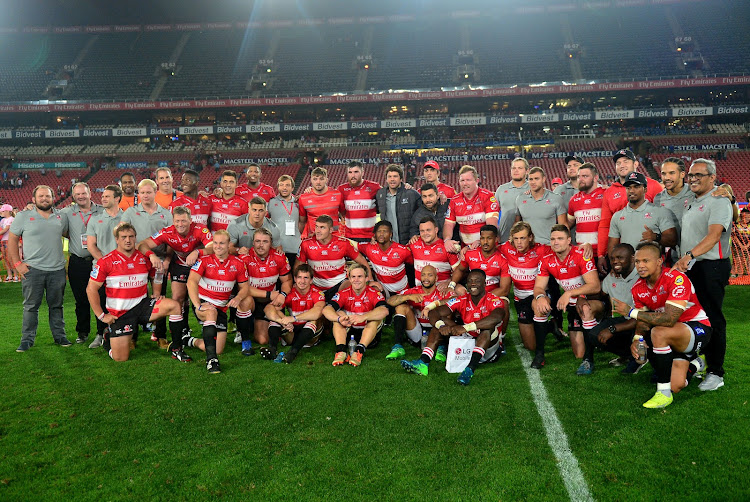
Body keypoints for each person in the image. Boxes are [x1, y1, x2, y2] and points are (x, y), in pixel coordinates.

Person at [612, 241, 711, 408]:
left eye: (645, 261)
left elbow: (669, 319)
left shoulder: (676, 279)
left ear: (659, 261)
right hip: (672, 335)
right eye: (637, 262)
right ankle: (697, 364)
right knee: (677, 385)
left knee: (658, 332)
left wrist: (630, 312)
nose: (640, 266)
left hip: (696, 328)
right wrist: (637, 339)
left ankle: (663, 393)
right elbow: (643, 320)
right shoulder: (638, 287)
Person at [86, 222, 189, 362]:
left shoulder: (143, 258)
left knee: (175, 306)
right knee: (121, 358)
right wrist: (101, 316)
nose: (128, 240)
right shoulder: (106, 261)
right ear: (116, 239)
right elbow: (91, 289)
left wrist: (157, 292)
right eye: (123, 237)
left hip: (142, 306)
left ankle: (177, 349)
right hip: (121, 314)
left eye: (131, 236)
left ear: (135, 238)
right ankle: (107, 339)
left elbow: (157, 275)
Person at [672, 158, 733, 392]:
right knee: (695, 317)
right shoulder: (693, 200)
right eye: (691, 175)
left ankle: (716, 372)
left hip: (710, 267)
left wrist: (688, 255)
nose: (694, 178)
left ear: (712, 178)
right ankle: (702, 362)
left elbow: (714, 235)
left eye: (699, 174)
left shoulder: (718, 201)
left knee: (713, 318)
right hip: (694, 267)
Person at [402, 270, 509, 385]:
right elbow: (435, 312)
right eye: (470, 281)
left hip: (488, 349)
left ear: (484, 284)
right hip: (468, 339)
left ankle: (469, 370)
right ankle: (423, 362)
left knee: (487, 329)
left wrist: (465, 328)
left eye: (477, 281)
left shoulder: (493, 300)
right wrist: (441, 326)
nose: (473, 284)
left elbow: (496, 317)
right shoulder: (462, 299)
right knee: (440, 322)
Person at [138, 205, 214, 346]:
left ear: (190, 220)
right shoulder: (167, 232)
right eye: (177, 221)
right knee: (177, 298)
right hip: (179, 265)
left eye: (184, 221)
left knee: (202, 298)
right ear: (173, 221)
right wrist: (152, 255)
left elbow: (212, 246)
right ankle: (182, 330)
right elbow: (142, 244)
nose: (180, 224)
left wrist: (198, 252)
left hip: (199, 266)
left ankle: (210, 327)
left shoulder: (200, 229)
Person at [10, 185, 70, 352]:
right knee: (30, 306)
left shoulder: (61, 216)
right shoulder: (23, 216)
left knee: (56, 305)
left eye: (48, 196)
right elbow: (13, 240)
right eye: (41, 196)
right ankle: (26, 340)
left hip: (57, 270)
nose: (45, 199)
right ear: (34, 198)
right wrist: (17, 264)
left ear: (53, 198)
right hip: (33, 270)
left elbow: (68, 234)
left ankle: (60, 336)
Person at [531, 225, 601, 369]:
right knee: (537, 304)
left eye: (560, 238)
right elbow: (538, 287)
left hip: (591, 300)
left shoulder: (581, 254)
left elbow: (595, 286)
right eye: (553, 239)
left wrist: (569, 293)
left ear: (569, 240)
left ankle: (589, 360)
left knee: (585, 308)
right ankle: (539, 355)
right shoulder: (546, 259)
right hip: (572, 303)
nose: (556, 242)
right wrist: (540, 297)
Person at [186, 229, 252, 373]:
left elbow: (245, 287)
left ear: (229, 245)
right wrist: (197, 305)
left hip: (221, 308)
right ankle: (212, 361)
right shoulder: (204, 261)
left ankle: (189, 340)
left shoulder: (238, 263)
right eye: (215, 243)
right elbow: (191, 282)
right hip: (204, 304)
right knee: (211, 313)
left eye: (222, 243)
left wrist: (238, 298)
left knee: (219, 348)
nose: (217, 246)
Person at [121, 179, 173, 346]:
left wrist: (167, 260)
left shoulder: (166, 214)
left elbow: (172, 241)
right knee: (136, 299)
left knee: (159, 297)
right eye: (142, 192)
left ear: (155, 193)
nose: (145, 195)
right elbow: (124, 237)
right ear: (138, 194)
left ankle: (160, 335)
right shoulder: (130, 213)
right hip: (138, 263)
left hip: (159, 263)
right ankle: (133, 336)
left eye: (149, 192)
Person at [574, 243, 639, 376]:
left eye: (620, 258)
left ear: (633, 258)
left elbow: (644, 316)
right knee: (594, 335)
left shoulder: (642, 275)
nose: (615, 262)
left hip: (640, 321)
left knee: (640, 327)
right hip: (621, 319)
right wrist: (581, 296)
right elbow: (600, 293)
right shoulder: (612, 277)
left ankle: (638, 360)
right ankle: (626, 354)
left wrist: (611, 329)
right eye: (612, 258)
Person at [597, 149, 663, 274]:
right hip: (623, 254)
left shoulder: (653, 186)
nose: (622, 165)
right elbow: (605, 225)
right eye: (618, 163)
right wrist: (601, 254)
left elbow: (664, 219)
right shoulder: (610, 192)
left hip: (650, 250)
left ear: (636, 164)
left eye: (626, 161)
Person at [59, 182, 103, 344]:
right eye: (77, 194)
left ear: (90, 193)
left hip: (98, 262)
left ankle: (101, 331)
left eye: (83, 193)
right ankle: (83, 332)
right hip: (78, 262)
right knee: (81, 300)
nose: (81, 196)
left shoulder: (101, 210)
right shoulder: (67, 212)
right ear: (73, 196)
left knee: (100, 298)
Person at [500, 221, 553, 354]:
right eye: (516, 238)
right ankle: (551, 326)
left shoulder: (541, 250)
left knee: (537, 305)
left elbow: (562, 248)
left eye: (522, 238)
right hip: (520, 299)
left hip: (538, 296)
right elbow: (488, 248)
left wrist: (584, 246)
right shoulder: (506, 248)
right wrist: (469, 247)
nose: (519, 242)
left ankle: (540, 355)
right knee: (530, 346)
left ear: (530, 237)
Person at [322, 263, 388, 367]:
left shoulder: (374, 293)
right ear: (349, 278)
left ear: (366, 278)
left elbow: (384, 311)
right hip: (349, 333)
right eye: (353, 277)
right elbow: (326, 310)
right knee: (338, 314)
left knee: (375, 318)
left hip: (370, 337)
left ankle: (359, 351)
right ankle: (341, 351)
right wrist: (339, 318)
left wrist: (363, 317)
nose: (356, 280)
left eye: (360, 276)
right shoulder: (343, 293)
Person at [385, 265, 455, 360]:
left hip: (437, 329)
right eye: (423, 275)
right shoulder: (414, 291)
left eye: (430, 275)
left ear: (436, 278)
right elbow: (390, 301)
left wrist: (434, 304)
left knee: (448, 310)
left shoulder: (442, 292)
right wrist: (408, 297)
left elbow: (456, 300)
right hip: (417, 331)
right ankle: (398, 347)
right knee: (401, 307)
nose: (426, 278)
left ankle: (442, 346)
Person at [239, 227, 292, 350]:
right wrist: (269, 294)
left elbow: (287, 280)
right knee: (245, 300)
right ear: (253, 242)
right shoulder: (244, 258)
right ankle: (244, 338)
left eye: (265, 242)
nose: (261, 245)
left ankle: (259, 324)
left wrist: (282, 295)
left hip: (270, 302)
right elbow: (244, 288)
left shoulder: (279, 257)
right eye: (257, 241)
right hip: (254, 299)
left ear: (271, 243)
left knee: (263, 340)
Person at [297, 215, 371, 302]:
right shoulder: (306, 244)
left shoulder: (343, 243)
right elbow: (297, 267)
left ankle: (353, 311)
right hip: (316, 286)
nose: (317, 231)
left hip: (339, 284)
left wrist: (370, 281)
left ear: (331, 230)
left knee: (352, 286)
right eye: (316, 227)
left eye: (322, 227)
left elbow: (363, 262)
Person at [262, 263, 326, 364]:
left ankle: (293, 352)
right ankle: (272, 349)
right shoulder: (290, 293)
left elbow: (318, 312)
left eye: (306, 278)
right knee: (275, 319)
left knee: (314, 320)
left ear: (311, 280)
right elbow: (268, 308)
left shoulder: (317, 293)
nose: (302, 281)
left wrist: (293, 318)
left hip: (310, 334)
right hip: (292, 330)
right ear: (295, 279)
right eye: (299, 277)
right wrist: (281, 320)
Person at [85, 185, 124, 348]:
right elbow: (91, 245)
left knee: (123, 302)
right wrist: (106, 263)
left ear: (117, 198)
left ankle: (124, 332)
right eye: (103, 196)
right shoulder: (95, 219)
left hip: (123, 268)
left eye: (107, 196)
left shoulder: (127, 217)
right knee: (100, 300)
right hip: (102, 267)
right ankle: (100, 333)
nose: (103, 199)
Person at [608, 172, 677, 256]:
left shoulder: (660, 211)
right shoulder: (617, 216)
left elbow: (673, 240)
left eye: (636, 187)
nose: (631, 191)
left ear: (645, 189)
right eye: (628, 188)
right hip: (628, 267)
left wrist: (656, 237)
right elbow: (612, 247)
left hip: (652, 267)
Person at [444, 165, 499, 250]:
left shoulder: (487, 197)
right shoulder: (454, 201)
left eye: (468, 180)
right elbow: (448, 224)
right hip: (465, 248)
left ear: (477, 181)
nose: (465, 183)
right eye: (462, 180)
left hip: (486, 246)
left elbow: (491, 226)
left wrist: (482, 240)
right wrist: (447, 240)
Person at [451, 225, 511, 298]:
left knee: (503, 303)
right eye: (482, 238)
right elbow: (460, 269)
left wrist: (483, 299)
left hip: (493, 296)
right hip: (474, 294)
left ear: (496, 239)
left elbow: (504, 290)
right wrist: (451, 285)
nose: (485, 242)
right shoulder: (470, 254)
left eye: (489, 238)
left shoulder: (503, 260)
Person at [515, 167, 567, 245]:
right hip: (528, 247)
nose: (533, 182)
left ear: (543, 179)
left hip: (548, 247)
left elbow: (563, 226)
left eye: (536, 179)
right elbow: (517, 224)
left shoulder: (556, 198)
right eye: (531, 179)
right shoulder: (520, 199)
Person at [358, 220, 412, 296]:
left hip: (401, 291)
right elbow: (351, 244)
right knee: (372, 291)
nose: (381, 234)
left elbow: (413, 265)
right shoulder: (369, 248)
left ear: (391, 234)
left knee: (402, 308)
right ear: (375, 235)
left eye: (385, 231)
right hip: (383, 289)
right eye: (379, 231)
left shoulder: (403, 250)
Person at [375, 164, 421, 246]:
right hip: (389, 242)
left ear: (401, 179)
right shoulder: (380, 194)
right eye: (389, 176)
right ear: (386, 179)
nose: (392, 179)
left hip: (408, 241)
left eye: (395, 176)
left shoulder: (411, 193)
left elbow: (423, 213)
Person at [567, 163, 606, 258]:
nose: (581, 179)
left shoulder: (606, 194)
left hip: (603, 254)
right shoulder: (574, 199)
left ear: (596, 178)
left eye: (585, 176)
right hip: (582, 253)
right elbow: (569, 223)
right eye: (579, 176)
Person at [409, 216, 460, 288]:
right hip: (420, 292)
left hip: (441, 291)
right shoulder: (414, 243)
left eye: (428, 230)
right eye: (422, 231)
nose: (425, 233)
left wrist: (449, 283)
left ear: (436, 230)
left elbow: (459, 271)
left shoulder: (446, 247)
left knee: (461, 290)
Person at [337, 161, 381, 244]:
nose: (353, 176)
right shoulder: (341, 189)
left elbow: (390, 194)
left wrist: (405, 186)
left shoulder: (374, 187)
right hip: (349, 237)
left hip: (370, 237)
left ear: (362, 173)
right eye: (350, 172)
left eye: (356, 172)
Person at [267, 175, 302, 269]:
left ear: (292, 188)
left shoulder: (299, 203)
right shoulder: (271, 203)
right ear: (278, 187)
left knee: (294, 278)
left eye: (287, 185)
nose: (284, 187)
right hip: (277, 248)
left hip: (295, 247)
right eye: (281, 185)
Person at [298, 167, 343, 237]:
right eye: (315, 179)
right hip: (314, 239)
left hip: (335, 238)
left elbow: (344, 216)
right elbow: (302, 222)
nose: (318, 182)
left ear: (326, 180)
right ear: (311, 180)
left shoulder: (337, 195)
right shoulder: (304, 198)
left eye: (321, 179)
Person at [495, 157, 530, 243]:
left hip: (528, 239)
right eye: (513, 168)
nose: (516, 170)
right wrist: (495, 233)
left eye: (520, 168)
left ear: (527, 171)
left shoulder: (533, 188)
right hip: (504, 238)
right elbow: (493, 213)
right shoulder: (501, 189)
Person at [0, 204, 19, 282]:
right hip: (3, 240)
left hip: (9, 240)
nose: (1, 213)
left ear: (8, 211)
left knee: (10, 258)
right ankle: (9, 275)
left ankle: (15, 275)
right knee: (5, 259)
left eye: (3, 211)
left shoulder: (12, 219)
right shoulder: (3, 220)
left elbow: (6, 229)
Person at [731, 208, 750, 276]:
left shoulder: (749, 225)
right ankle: (736, 275)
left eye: (749, 217)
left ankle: (747, 273)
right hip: (737, 246)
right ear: (741, 216)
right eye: (746, 217)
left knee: (747, 259)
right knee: (738, 259)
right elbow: (734, 236)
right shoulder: (736, 225)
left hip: (748, 245)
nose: (747, 219)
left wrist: (747, 245)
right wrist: (741, 245)